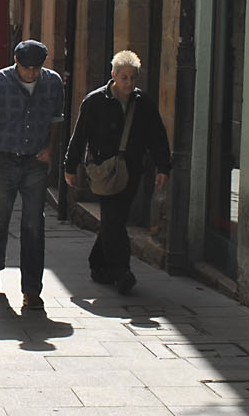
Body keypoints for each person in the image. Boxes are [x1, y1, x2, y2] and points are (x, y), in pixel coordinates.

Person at [63, 49, 171, 294]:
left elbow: (157, 136)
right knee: (113, 218)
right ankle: (121, 271)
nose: (129, 83)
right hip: (103, 172)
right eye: (124, 78)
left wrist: (163, 166)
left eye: (133, 78)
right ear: (113, 75)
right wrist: (71, 166)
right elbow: (79, 136)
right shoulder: (95, 101)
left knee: (115, 220)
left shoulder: (143, 103)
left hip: (131, 172)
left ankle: (97, 263)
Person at [0, 39, 66, 312]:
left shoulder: (53, 83)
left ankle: (32, 290)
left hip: (35, 161)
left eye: (36, 68)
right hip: (2, 159)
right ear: (16, 61)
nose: (32, 74)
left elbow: (56, 120)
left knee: (33, 225)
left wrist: (50, 149)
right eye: (27, 68)